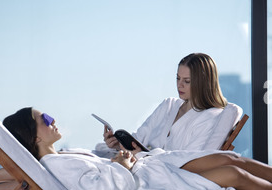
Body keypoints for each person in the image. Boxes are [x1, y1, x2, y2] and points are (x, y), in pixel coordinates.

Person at [0, 108, 272, 190]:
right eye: (45, 118)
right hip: (149, 180)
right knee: (235, 175)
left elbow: (28, 174)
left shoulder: (58, 158)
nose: (53, 119)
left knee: (232, 161)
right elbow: (99, 189)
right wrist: (122, 166)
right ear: (35, 137)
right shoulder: (53, 165)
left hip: (155, 163)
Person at [97, 53, 228, 159]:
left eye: (187, 81)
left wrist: (143, 155)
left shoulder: (210, 117)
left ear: (202, 83)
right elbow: (138, 139)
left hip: (159, 172)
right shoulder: (169, 105)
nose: (179, 85)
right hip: (137, 162)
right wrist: (117, 145)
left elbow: (187, 160)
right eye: (178, 78)